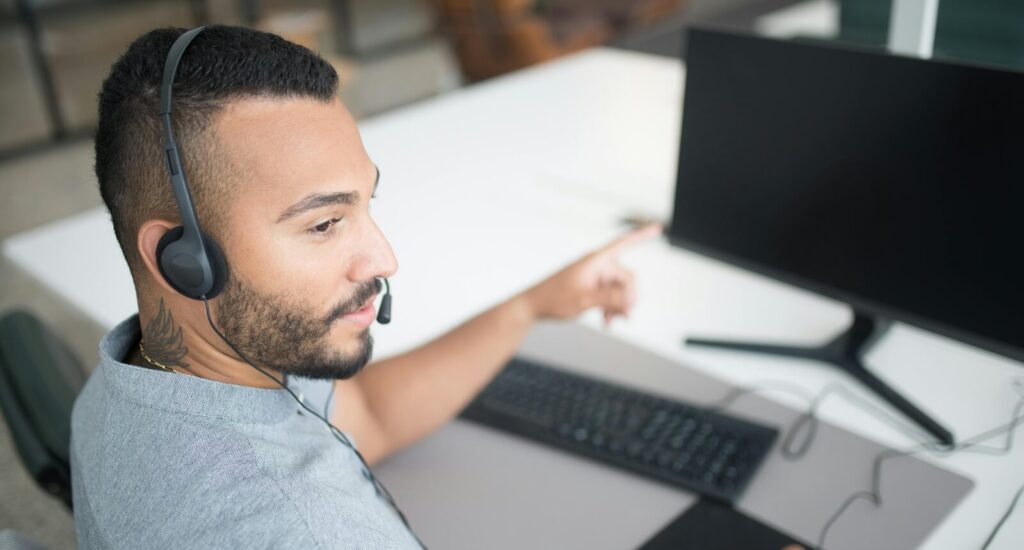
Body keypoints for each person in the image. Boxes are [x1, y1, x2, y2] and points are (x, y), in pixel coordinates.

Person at [71, 24, 661, 549]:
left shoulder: (134, 375)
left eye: (365, 203)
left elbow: (368, 415)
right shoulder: (308, 529)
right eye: (324, 224)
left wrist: (531, 305)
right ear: (181, 258)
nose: (385, 259)